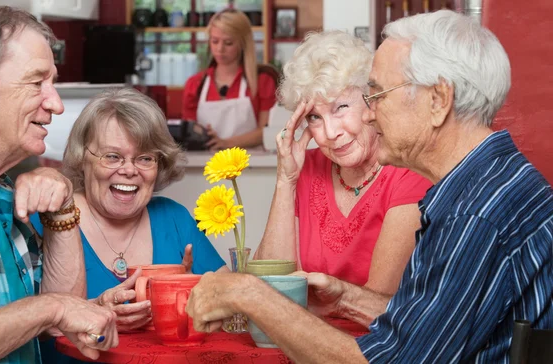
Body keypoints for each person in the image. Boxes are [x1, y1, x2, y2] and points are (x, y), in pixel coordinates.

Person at [186, 10, 553, 363]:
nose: (371, 113)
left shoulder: (473, 215)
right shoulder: (492, 179)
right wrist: (343, 296)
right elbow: (414, 326)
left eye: (377, 95)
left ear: (438, 101)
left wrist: (249, 293)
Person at [0, 6, 118, 363]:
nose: (55, 104)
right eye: (36, 82)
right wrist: (51, 308)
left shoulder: (4, 192)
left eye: (53, 83)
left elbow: (63, 325)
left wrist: (62, 209)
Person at [30, 88, 229, 363]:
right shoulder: (44, 220)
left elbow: (233, 307)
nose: (129, 170)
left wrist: (197, 299)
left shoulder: (175, 218)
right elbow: (18, 327)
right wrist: (93, 311)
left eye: (145, 158)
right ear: (82, 158)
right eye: (112, 156)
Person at [255, 31, 432, 294]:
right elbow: (268, 286)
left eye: (340, 108)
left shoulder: (407, 171)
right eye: (314, 117)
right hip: (305, 329)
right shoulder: (306, 168)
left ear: (371, 101)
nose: (330, 132)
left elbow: (380, 304)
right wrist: (286, 180)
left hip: (376, 334)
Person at [181, 8, 277, 151]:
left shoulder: (262, 81)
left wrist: (226, 143)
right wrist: (203, 136)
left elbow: (267, 131)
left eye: (228, 43)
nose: (220, 49)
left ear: (243, 43)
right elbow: (188, 131)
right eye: (214, 41)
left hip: (252, 167)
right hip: (205, 166)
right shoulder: (195, 84)